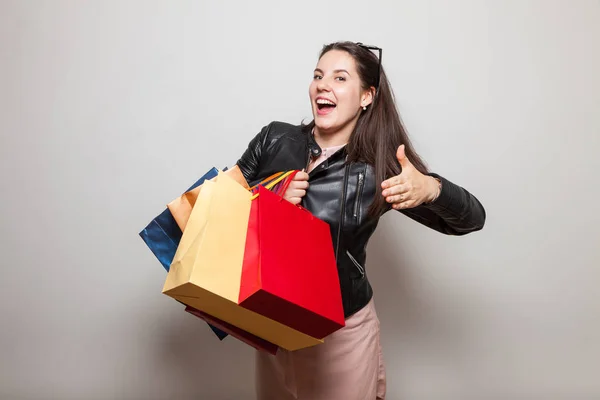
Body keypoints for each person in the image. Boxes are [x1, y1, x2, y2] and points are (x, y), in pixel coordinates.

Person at [234, 41, 486, 400]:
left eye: (339, 78)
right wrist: (267, 198)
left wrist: (431, 189)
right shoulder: (275, 139)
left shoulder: (379, 167)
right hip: (272, 320)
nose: (323, 85)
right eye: (318, 75)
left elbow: (471, 219)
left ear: (367, 96)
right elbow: (215, 208)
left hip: (341, 331)